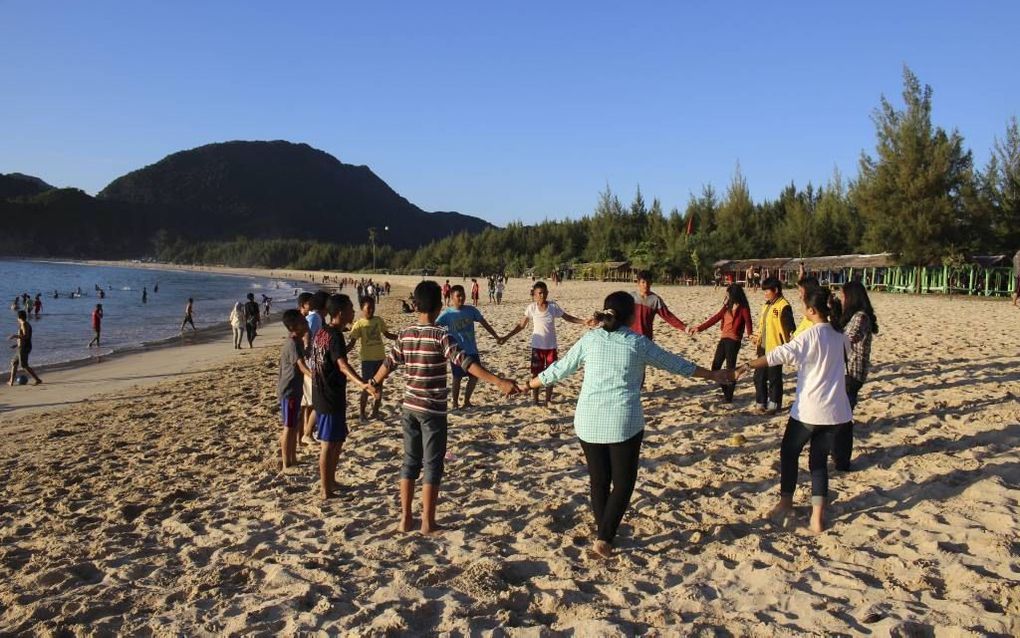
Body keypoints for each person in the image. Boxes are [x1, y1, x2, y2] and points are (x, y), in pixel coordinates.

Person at [527, 291, 733, 558]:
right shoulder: (638, 342)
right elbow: (676, 364)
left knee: (599, 481)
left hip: (588, 421)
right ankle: (604, 537)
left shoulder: (589, 339)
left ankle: (604, 531)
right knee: (623, 483)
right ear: (630, 315)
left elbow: (559, 369)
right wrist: (713, 374)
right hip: (623, 422)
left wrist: (528, 384)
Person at [366, 280, 518, 534]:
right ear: (439, 306)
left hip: (409, 407)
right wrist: (498, 381)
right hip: (432, 410)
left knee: (410, 462)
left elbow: (388, 364)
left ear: (415, 305)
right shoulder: (440, 335)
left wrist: (373, 383)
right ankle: (427, 521)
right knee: (433, 464)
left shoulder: (405, 334)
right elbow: (467, 363)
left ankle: (405, 519)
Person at [736, 288, 852, 533]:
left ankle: (786, 504)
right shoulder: (841, 336)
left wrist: (747, 365)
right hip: (836, 412)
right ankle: (817, 519)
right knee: (818, 462)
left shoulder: (810, 336)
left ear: (811, 311)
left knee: (789, 452)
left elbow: (778, 355)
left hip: (810, 410)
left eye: (804, 306)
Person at [310, 294, 371, 499]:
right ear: (339, 313)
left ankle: (331, 481)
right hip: (329, 395)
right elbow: (342, 365)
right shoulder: (334, 335)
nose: (353, 311)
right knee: (328, 442)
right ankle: (325, 490)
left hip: (323, 393)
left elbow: (328, 358)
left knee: (337, 439)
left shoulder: (322, 331)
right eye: (350, 308)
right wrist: (362, 383)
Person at [501, 281, 595, 405]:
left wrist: (583, 322)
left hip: (551, 348)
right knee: (536, 374)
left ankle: (548, 400)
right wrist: (507, 336)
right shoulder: (531, 308)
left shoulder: (553, 307)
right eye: (539, 293)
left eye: (545, 292)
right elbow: (521, 325)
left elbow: (567, 317)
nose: (542, 295)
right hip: (537, 348)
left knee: (551, 373)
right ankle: (535, 400)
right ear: (534, 295)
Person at [832, 280, 879, 471]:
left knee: (842, 418)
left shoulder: (860, 317)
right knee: (839, 415)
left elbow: (846, 341)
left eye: (843, 297)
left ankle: (842, 459)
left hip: (851, 373)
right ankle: (838, 455)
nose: (841, 300)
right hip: (846, 372)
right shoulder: (854, 316)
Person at [436, 284, 502, 409]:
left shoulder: (471, 310)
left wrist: (496, 336)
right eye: (458, 296)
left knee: (475, 376)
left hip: (472, 350)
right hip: (456, 353)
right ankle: (455, 403)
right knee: (457, 378)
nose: (461, 298)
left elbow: (484, 323)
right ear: (451, 297)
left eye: (463, 295)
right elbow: (434, 327)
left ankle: (466, 401)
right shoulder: (447, 314)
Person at [688, 284, 754, 402]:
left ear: (733, 294)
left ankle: (729, 397)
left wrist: (750, 335)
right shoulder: (727, 306)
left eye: (728, 293)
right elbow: (715, 318)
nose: (726, 295)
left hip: (734, 341)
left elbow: (749, 323)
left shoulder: (743, 308)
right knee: (715, 367)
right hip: (724, 339)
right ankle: (726, 391)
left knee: (730, 368)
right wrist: (699, 328)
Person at [347, 296, 397, 421]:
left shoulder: (379, 321)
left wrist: (400, 337)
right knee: (367, 386)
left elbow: (387, 334)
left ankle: (375, 412)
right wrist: (341, 352)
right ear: (362, 309)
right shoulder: (358, 325)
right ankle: (362, 414)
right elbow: (352, 343)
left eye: (372, 308)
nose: (371, 310)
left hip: (380, 359)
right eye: (368, 308)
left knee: (379, 386)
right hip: (367, 361)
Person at [751, 277, 796, 414]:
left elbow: (791, 327)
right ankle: (761, 403)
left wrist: (789, 342)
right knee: (758, 376)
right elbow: (763, 326)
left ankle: (774, 404)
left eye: (767, 291)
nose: (765, 293)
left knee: (774, 378)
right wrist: (757, 338)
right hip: (763, 347)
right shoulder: (767, 305)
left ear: (775, 290)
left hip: (776, 348)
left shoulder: (784, 306)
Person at [278, 309, 312, 470]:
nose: (306, 323)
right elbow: (302, 366)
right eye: (303, 322)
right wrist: (316, 377)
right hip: (289, 390)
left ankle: (293, 457)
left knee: (294, 424)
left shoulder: (298, 340)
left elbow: (304, 356)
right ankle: (286, 462)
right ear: (294, 327)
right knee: (289, 426)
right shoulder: (292, 343)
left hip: (296, 388)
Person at [629, 270, 688, 342]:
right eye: (643, 282)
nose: (646, 285)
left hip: (646, 338)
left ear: (651, 283)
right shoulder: (630, 297)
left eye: (648, 282)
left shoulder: (655, 300)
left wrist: (684, 328)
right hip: (630, 336)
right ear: (638, 283)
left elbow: (667, 316)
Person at [298, 292, 324, 442]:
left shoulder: (313, 317)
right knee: (313, 401)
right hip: (310, 364)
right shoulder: (314, 317)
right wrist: (308, 352)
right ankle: (306, 434)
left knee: (308, 402)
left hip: (310, 363)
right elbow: (307, 336)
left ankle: (306, 432)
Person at [8, 311, 41, 386]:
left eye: (17, 317)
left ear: (19, 317)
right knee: (14, 362)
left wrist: (15, 336)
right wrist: (16, 345)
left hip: (24, 348)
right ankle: (11, 381)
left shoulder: (24, 324)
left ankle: (38, 379)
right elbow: (23, 338)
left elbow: (26, 336)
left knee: (24, 365)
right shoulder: (23, 324)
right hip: (21, 347)